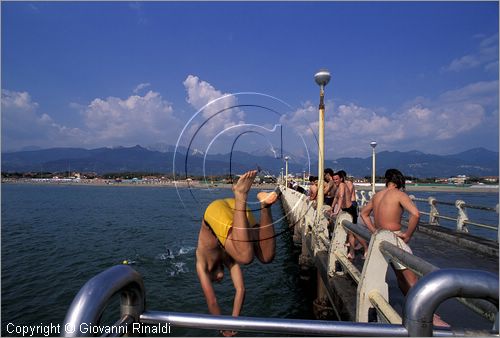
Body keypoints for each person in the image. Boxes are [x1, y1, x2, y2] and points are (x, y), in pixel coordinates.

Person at [360, 168, 449, 327]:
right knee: (411, 279)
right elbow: (415, 214)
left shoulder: (377, 196)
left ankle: (411, 308)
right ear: (399, 181)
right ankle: (428, 315)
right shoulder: (399, 194)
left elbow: (364, 214)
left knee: (399, 277)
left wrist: (374, 230)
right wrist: (408, 235)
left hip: (380, 238)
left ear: (387, 181)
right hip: (394, 238)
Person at [196, 170, 278, 336]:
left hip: (216, 210)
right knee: (266, 256)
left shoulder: (201, 264)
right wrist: (234, 323)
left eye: (216, 281)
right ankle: (265, 205)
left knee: (245, 257)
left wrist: (221, 328)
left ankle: (241, 195)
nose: (220, 280)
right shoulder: (228, 260)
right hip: (237, 210)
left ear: (211, 277)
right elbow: (240, 289)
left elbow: (212, 301)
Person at [338, 170, 368, 259]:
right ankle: (352, 250)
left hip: (352, 206)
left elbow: (347, 195)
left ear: (342, 177)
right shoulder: (341, 185)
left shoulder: (348, 183)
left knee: (353, 230)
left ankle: (365, 247)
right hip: (346, 207)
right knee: (350, 230)